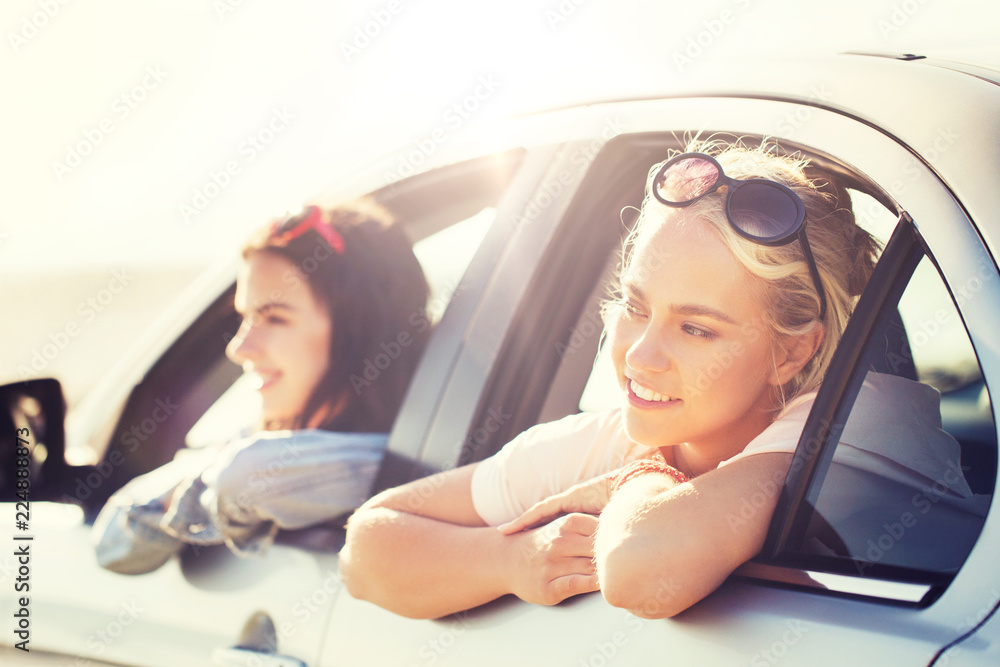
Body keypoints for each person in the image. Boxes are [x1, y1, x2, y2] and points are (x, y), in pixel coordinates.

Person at [340, 140, 975, 619]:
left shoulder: (864, 421)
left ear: (792, 353)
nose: (641, 357)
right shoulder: (608, 435)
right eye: (636, 308)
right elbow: (367, 549)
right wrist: (513, 560)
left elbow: (643, 573)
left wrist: (640, 475)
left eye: (697, 329)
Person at [93, 201, 430, 574]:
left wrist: (206, 482)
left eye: (275, 318)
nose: (238, 348)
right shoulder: (258, 439)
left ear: (362, 332)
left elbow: (250, 474)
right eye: (245, 317)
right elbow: (114, 539)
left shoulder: (427, 462)